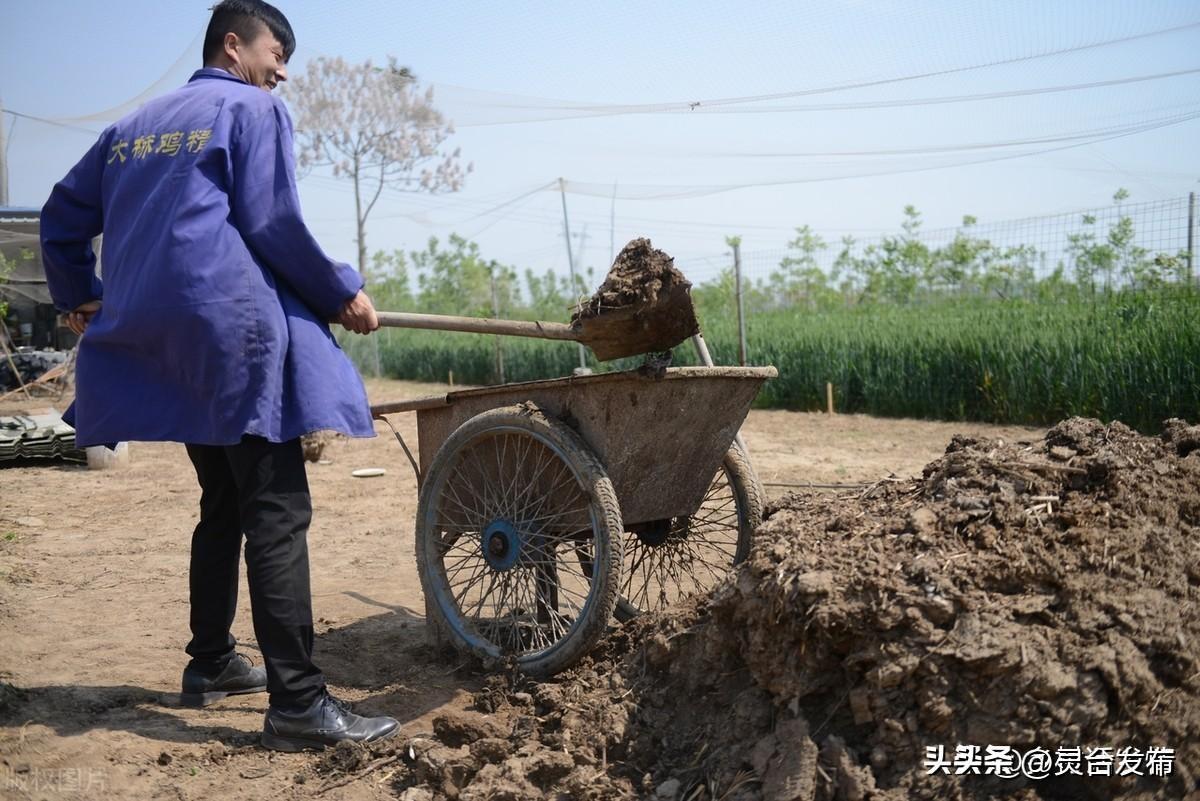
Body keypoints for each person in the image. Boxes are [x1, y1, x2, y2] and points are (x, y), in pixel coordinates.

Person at [40, 0, 399, 751]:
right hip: (231, 335)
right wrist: (342, 291)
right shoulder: (252, 110)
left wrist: (79, 293)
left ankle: (210, 662)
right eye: (277, 52)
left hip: (163, 342)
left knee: (225, 497)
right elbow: (272, 223)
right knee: (276, 507)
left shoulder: (133, 128)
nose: (283, 70)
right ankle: (299, 701)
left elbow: (61, 216)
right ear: (233, 44)